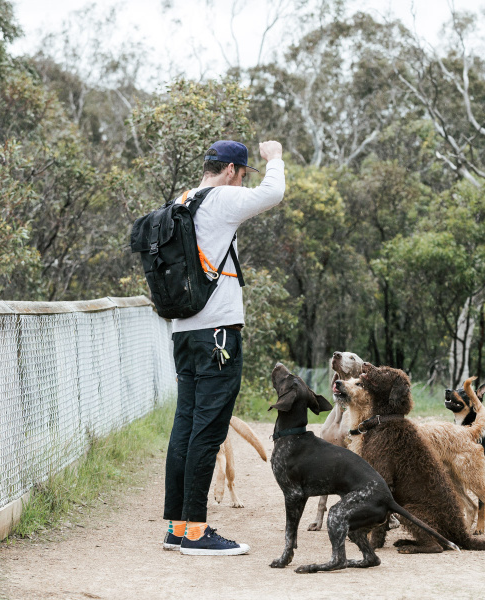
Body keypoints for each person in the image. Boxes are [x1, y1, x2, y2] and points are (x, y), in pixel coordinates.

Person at [162, 139, 285, 556]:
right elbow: (274, 193)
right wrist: (275, 158)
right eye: (244, 172)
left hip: (183, 331)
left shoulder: (181, 199)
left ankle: (178, 527)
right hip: (217, 334)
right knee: (208, 428)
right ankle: (197, 531)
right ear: (232, 169)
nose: (243, 179)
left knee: (185, 426)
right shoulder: (221, 197)